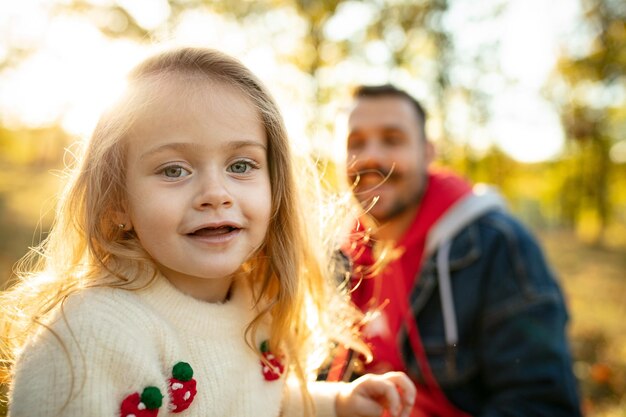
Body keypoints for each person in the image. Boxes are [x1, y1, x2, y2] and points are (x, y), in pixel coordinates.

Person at [0, 49, 416, 417]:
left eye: (240, 165)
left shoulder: (254, 299)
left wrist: (338, 404)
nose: (215, 195)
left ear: (275, 187)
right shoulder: (89, 337)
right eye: (174, 170)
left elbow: (255, 399)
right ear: (117, 202)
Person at [337, 84, 582, 416]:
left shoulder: (497, 245)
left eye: (392, 139)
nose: (371, 157)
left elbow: (542, 404)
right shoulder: (339, 253)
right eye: (356, 142)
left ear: (427, 153)